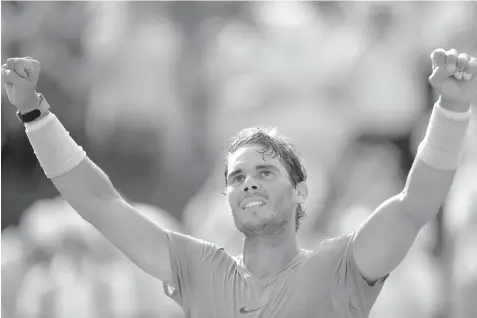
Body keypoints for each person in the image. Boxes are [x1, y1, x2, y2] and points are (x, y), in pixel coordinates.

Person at [2, 48, 476, 317]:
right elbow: (100, 202)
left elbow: (416, 204)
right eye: (237, 177)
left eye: (265, 172)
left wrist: (452, 110)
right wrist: (33, 112)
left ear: (301, 193)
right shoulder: (196, 268)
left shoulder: (342, 270)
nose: (248, 183)